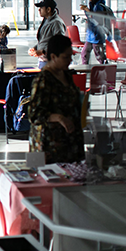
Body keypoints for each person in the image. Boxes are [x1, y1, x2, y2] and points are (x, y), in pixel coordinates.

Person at [28, 34, 85, 164]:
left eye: (71, 56)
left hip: (69, 142)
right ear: (53, 57)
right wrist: (59, 118)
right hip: (50, 145)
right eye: (66, 57)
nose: (70, 60)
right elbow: (34, 114)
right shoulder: (43, 80)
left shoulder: (66, 75)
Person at [28, 0, 67, 69]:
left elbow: (59, 43)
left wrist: (43, 51)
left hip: (50, 61)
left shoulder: (56, 23)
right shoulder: (46, 21)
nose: (39, 10)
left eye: (41, 8)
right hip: (43, 60)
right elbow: (45, 39)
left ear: (48, 9)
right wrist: (36, 47)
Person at [79, 0, 109, 64]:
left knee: (99, 56)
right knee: (84, 54)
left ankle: (106, 71)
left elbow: (96, 20)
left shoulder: (99, 7)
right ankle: (85, 71)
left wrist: (87, 10)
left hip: (96, 36)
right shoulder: (94, 5)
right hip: (91, 36)